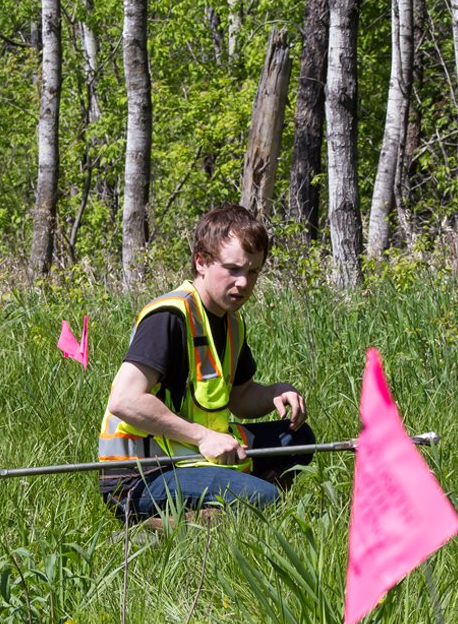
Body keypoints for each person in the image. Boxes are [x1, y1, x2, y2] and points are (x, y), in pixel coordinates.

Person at [97, 204, 315, 525]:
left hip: (194, 458)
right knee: (264, 498)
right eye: (233, 269)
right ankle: (158, 529)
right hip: (141, 476)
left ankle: (226, 513)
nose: (243, 283)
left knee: (298, 438)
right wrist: (202, 437)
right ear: (201, 262)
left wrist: (274, 394)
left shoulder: (231, 322)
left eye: (253, 272)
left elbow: (240, 398)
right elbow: (125, 400)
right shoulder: (169, 315)